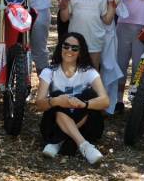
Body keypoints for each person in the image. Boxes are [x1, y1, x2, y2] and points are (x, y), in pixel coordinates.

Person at [33, 32, 110, 165]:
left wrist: (83, 104)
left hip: (88, 127)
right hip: (53, 126)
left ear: (80, 52)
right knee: (56, 97)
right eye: (66, 46)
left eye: (75, 48)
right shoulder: (49, 72)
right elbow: (39, 105)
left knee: (90, 95)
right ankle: (85, 146)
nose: (69, 50)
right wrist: (56, 101)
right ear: (60, 48)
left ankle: (59, 141)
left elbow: (105, 101)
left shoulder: (88, 72)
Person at [59, 0, 117, 69]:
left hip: (95, 41)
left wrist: (112, 8)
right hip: (75, 41)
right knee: (73, 70)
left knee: (93, 71)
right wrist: (64, 7)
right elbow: (64, 18)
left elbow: (107, 20)